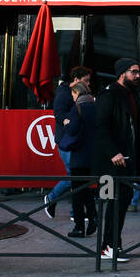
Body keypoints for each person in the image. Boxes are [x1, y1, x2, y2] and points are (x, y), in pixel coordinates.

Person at [93, 58, 140, 261]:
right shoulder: (109, 94)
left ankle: (114, 245)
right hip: (112, 162)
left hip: (127, 159)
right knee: (114, 203)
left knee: (121, 203)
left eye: (138, 72)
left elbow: (136, 127)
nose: (138, 76)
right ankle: (109, 247)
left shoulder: (132, 95)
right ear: (122, 73)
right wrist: (113, 152)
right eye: (134, 72)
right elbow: (101, 126)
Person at [47, 66, 92, 219]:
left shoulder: (77, 94)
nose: (88, 84)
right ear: (76, 80)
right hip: (67, 140)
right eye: (85, 81)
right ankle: (71, 209)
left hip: (73, 139)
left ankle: (66, 206)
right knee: (74, 175)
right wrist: (69, 120)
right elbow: (58, 114)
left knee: (75, 174)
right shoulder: (64, 94)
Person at [59, 79, 98, 238]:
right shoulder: (95, 106)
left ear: (77, 93)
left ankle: (79, 226)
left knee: (77, 190)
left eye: (73, 94)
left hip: (79, 154)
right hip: (92, 154)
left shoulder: (78, 108)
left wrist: (67, 123)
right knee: (85, 187)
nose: (72, 97)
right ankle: (93, 216)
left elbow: (73, 128)